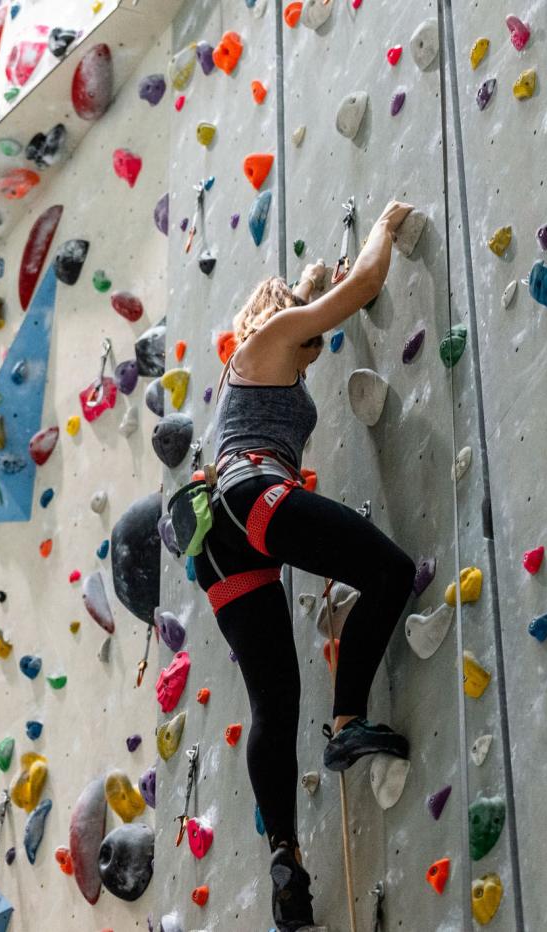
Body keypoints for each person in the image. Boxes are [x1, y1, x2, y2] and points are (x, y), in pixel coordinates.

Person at [192, 200, 418, 931]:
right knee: (388, 572)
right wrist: (383, 226)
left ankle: (286, 865)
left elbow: (321, 295)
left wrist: (313, 278)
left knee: (274, 703)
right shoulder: (273, 337)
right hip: (252, 492)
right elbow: (357, 288)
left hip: (220, 538)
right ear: (288, 317)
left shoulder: (257, 361)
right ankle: (349, 719)